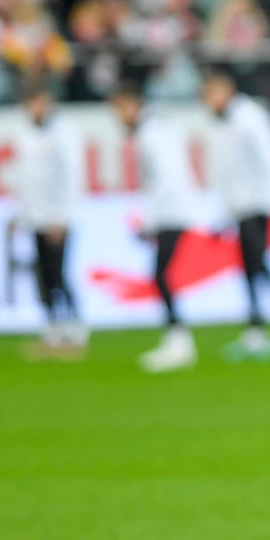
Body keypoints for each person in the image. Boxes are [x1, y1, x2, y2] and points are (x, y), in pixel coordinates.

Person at [200, 69, 270, 361]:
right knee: (250, 266)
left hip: (257, 204)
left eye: (211, 93)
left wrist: (267, 201)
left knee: (257, 263)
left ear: (226, 89)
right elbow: (226, 173)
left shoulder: (248, 117)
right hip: (240, 206)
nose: (208, 101)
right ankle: (259, 329)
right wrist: (225, 213)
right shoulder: (225, 123)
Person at [108, 80, 200, 372]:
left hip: (170, 213)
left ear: (133, 105)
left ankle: (179, 341)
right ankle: (177, 338)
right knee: (161, 274)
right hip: (172, 211)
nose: (119, 118)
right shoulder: (158, 130)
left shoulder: (151, 135)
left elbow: (163, 179)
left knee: (160, 275)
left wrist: (149, 220)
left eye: (120, 110)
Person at [12, 78, 86, 357]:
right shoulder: (26, 135)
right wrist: (19, 215)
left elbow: (71, 177)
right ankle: (53, 327)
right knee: (43, 275)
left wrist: (61, 216)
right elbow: (26, 180)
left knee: (60, 273)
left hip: (57, 218)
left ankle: (75, 325)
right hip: (35, 217)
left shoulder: (65, 132)